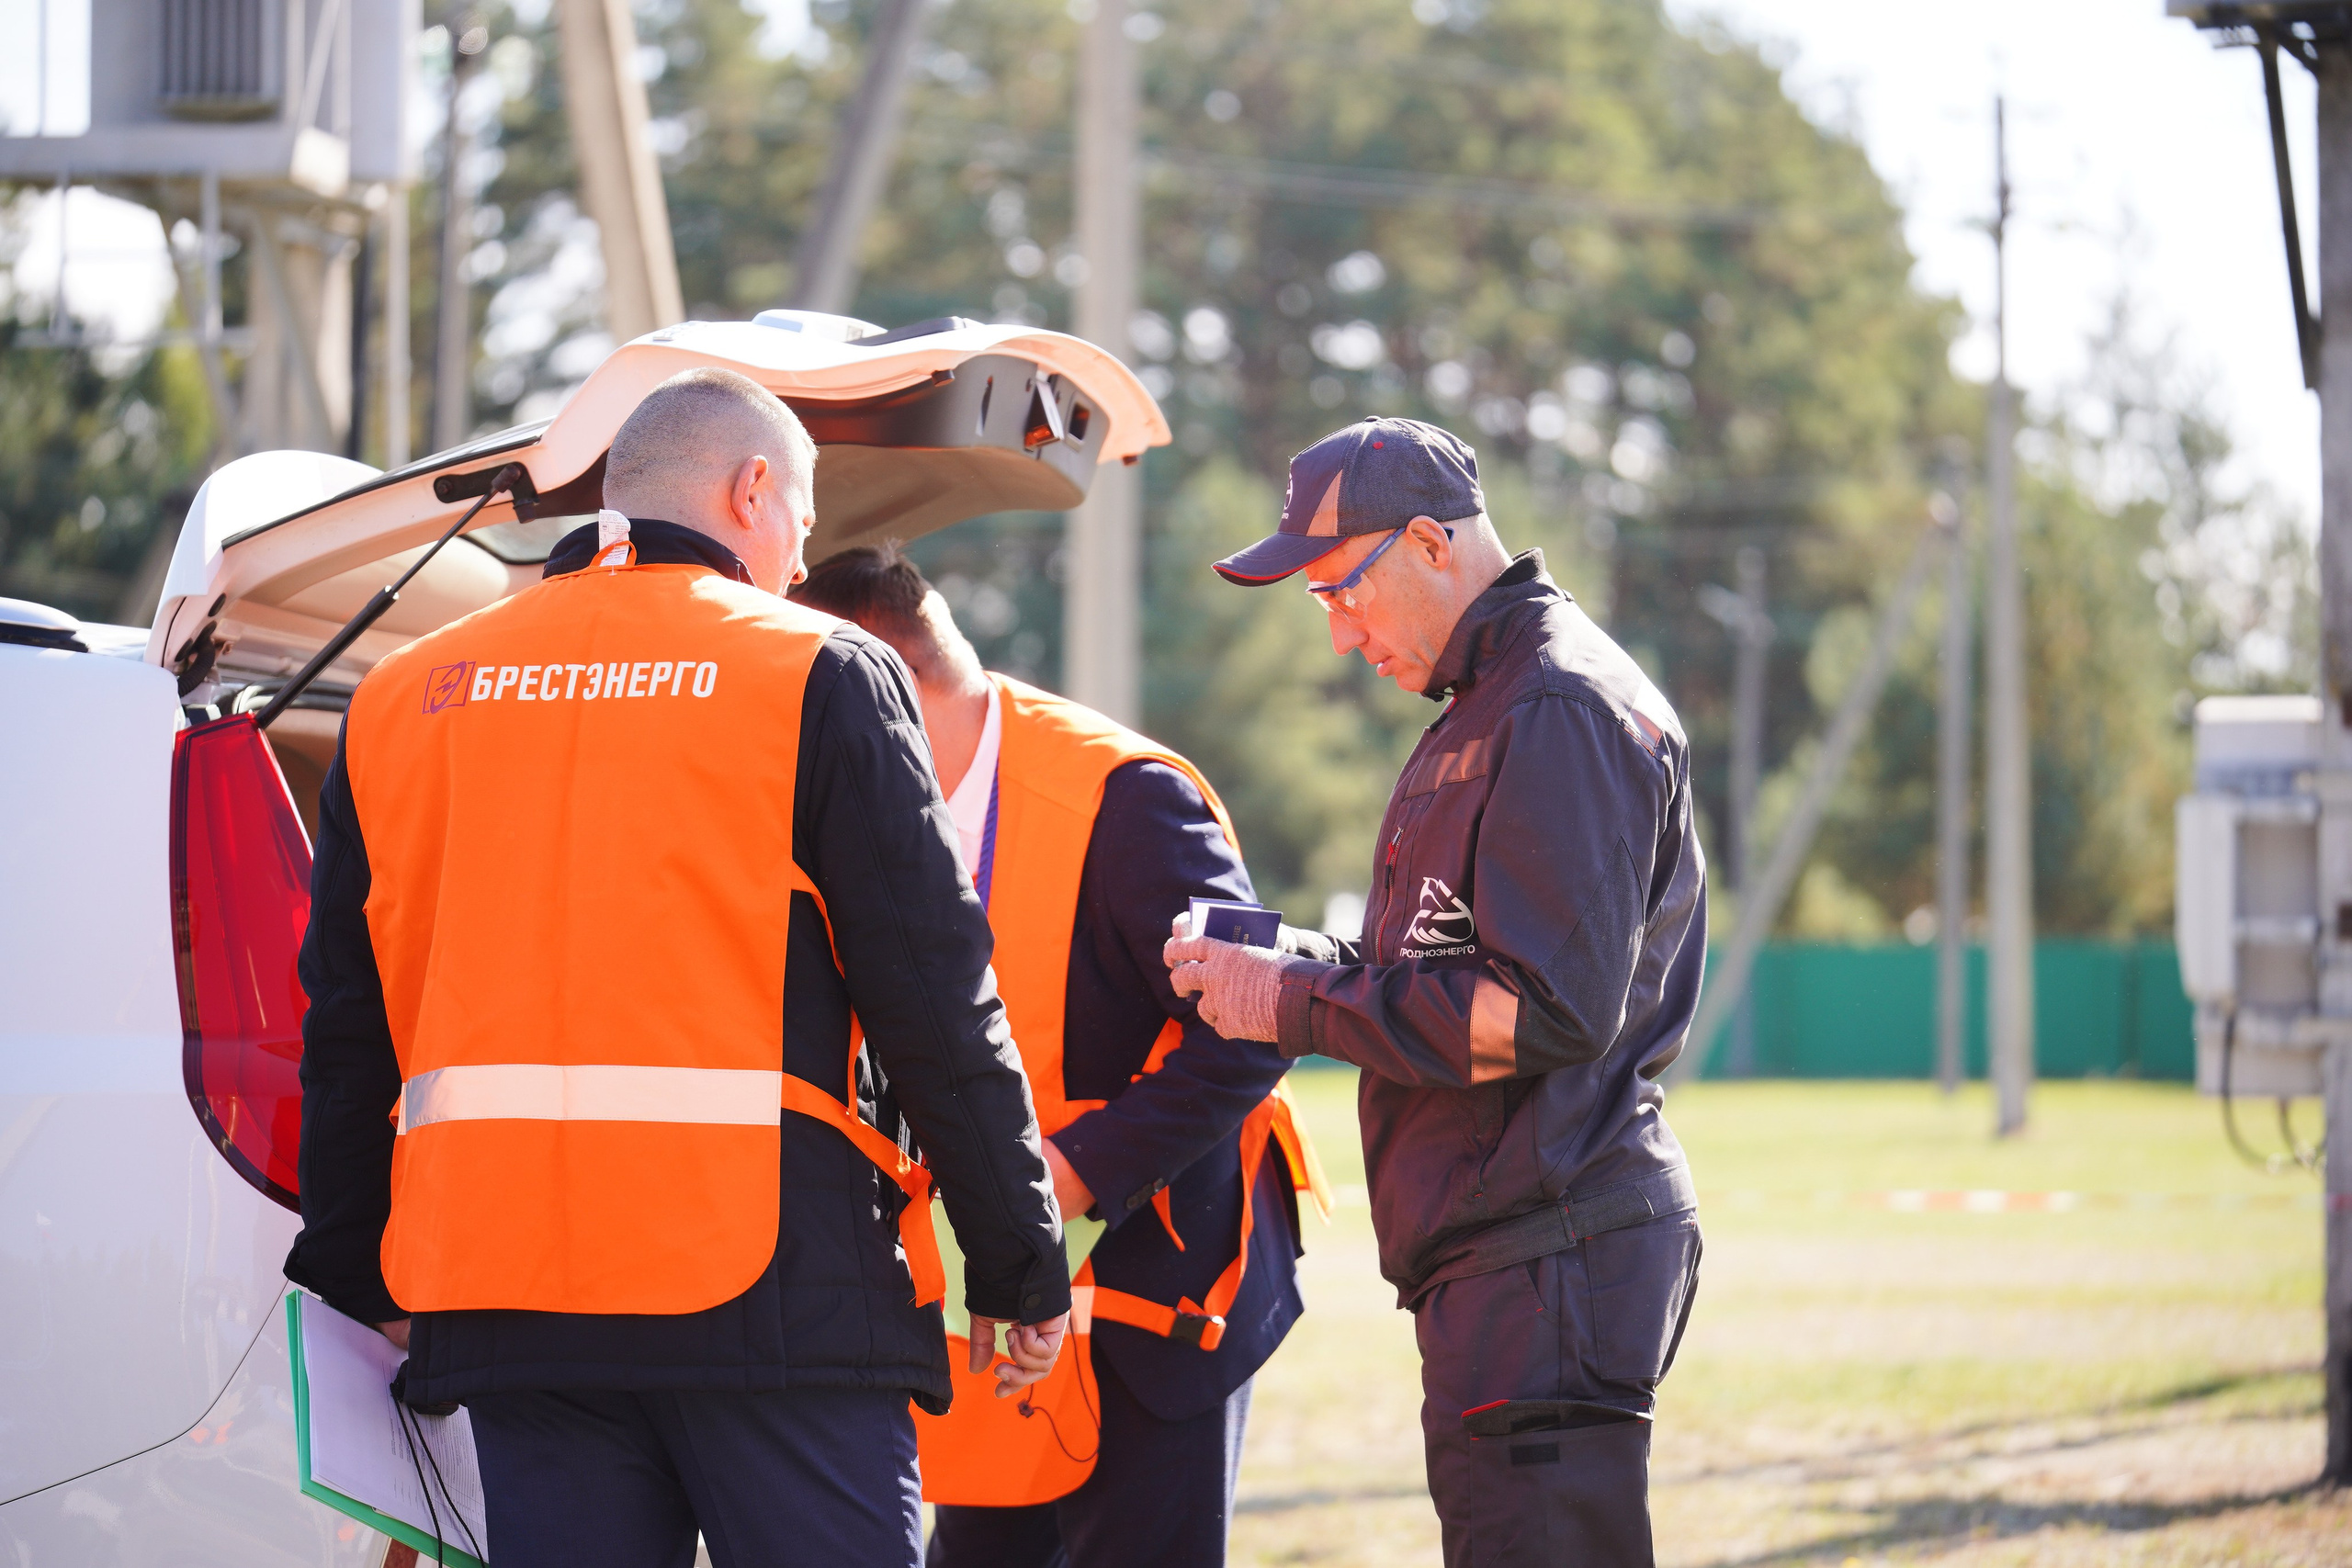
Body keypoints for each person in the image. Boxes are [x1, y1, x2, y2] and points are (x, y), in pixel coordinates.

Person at [284, 368, 1070, 1568]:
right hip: (771, 1290)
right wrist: (1017, 1259)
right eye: (800, 525)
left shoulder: (401, 698)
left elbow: (349, 1024)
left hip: (508, 1299)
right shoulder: (818, 670)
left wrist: (357, 1260)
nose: (798, 565)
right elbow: (933, 995)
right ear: (753, 487)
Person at [1164, 416, 1706, 1567]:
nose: (1337, 633)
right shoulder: (1489, 702)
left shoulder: (1554, 707)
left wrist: (1294, 1007)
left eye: (1338, 592)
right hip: (1510, 1254)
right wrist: (1287, 965)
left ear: (1425, 541)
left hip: (1547, 1247)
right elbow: (1445, 968)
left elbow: (1538, 1009)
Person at [791, 545, 1320, 1568]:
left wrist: (1063, 1179)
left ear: (881, 701)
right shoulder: (863, 821)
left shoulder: (1126, 801)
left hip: (1156, 1296)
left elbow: (1257, 1026)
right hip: (994, 1311)